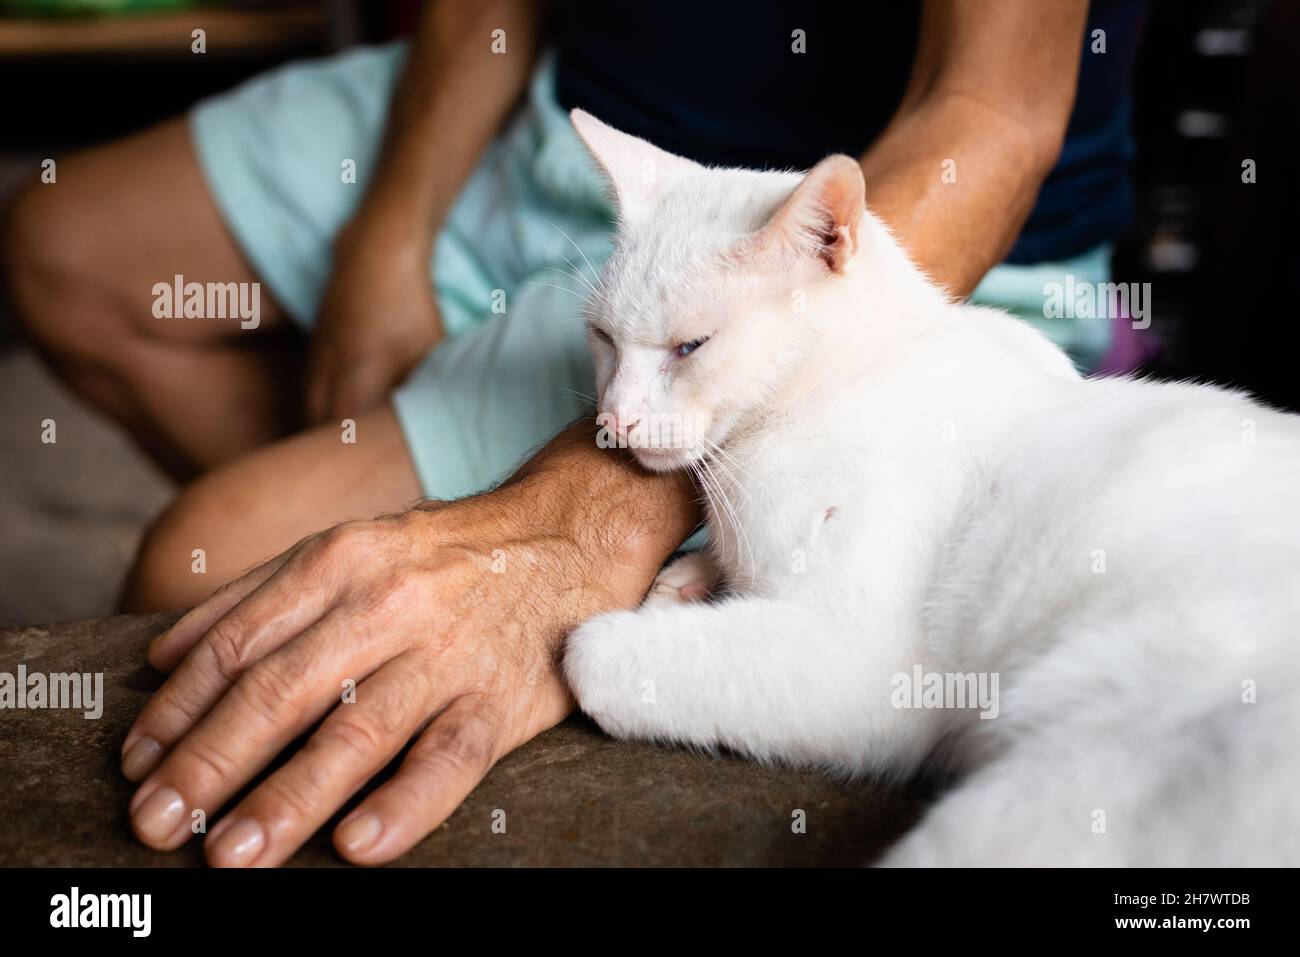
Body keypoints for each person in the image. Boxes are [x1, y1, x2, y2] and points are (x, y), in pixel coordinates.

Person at [0, 0, 1143, 866]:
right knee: (58, 243)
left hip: (833, 238)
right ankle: (401, 519)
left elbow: (989, 113)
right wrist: (388, 235)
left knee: (198, 554)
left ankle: (424, 548)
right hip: (587, 143)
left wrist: (570, 521)